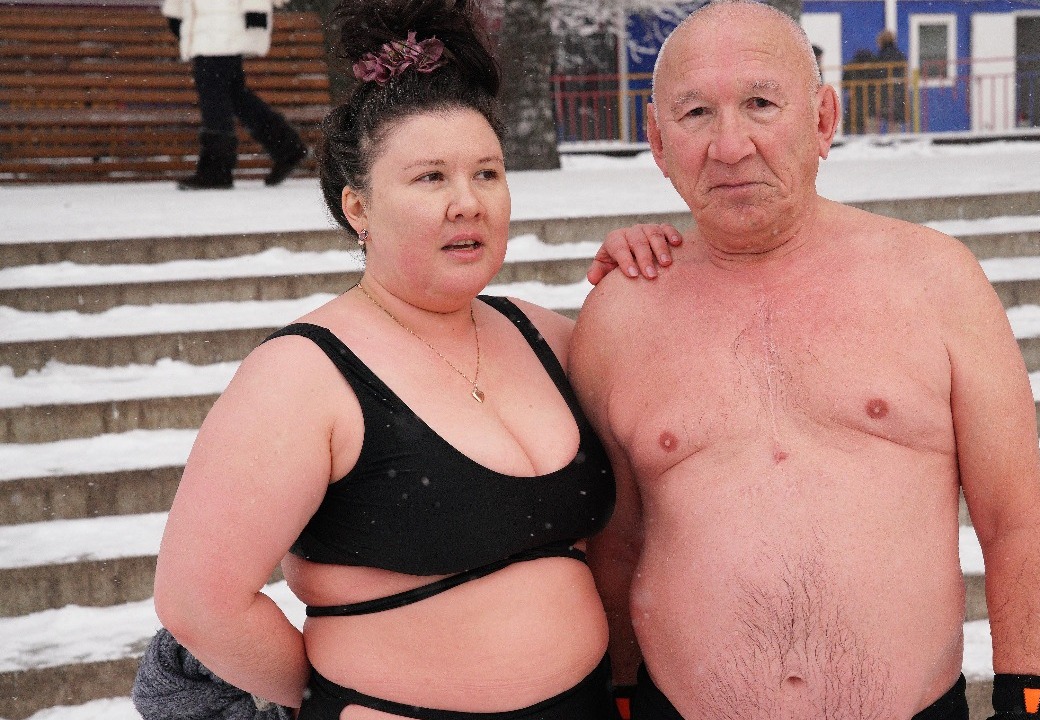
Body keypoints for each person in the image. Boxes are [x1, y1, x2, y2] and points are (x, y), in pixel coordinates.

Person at [149, 0, 677, 717]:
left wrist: (654, 275)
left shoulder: (544, 336)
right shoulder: (302, 375)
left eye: (487, 174)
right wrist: (332, 699)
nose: (468, 203)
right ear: (358, 208)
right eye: (431, 178)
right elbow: (198, 600)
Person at [571, 2, 1040, 719]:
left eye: (761, 104)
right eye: (696, 114)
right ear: (656, 139)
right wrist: (617, 702)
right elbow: (613, 549)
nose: (729, 145)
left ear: (823, 119)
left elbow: (1014, 523)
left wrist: (1033, 706)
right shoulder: (621, 313)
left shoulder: (935, 280)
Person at [162, 0, 308, 190]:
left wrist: (256, 10)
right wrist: (176, 13)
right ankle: (286, 147)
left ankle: (217, 169)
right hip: (211, 29)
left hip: (221, 29)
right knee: (235, 96)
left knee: (215, 98)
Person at [875, 29, 908, 133]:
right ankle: (896, 134)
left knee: (885, 113)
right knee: (896, 116)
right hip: (899, 87)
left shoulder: (882, 55)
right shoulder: (899, 54)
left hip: (886, 88)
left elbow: (879, 72)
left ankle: (882, 135)